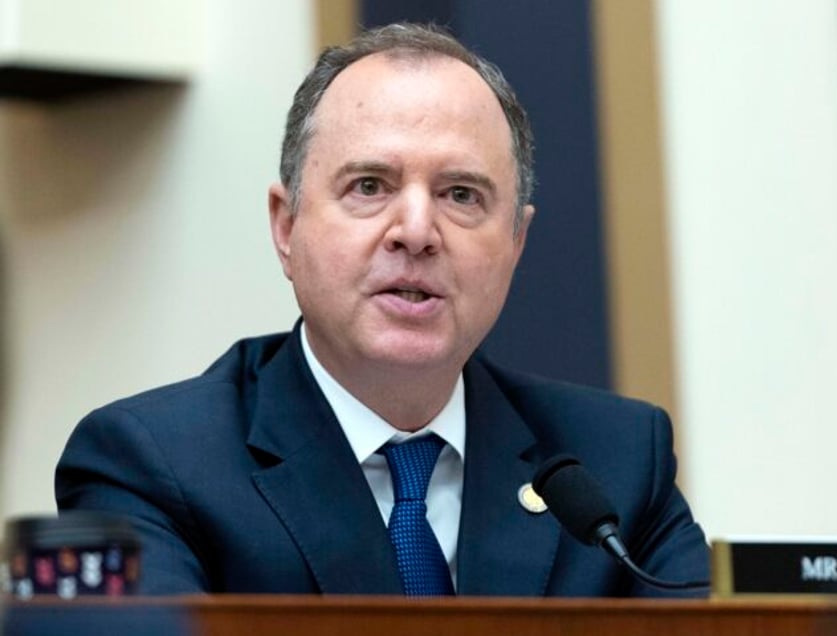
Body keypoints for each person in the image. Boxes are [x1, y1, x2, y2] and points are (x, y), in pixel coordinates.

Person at [55, 22, 710, 597]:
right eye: (369, 186)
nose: (417, 230)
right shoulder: (142, 465)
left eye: (461, 195)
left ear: (516, 243)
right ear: (286, 228)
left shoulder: (615, 463)